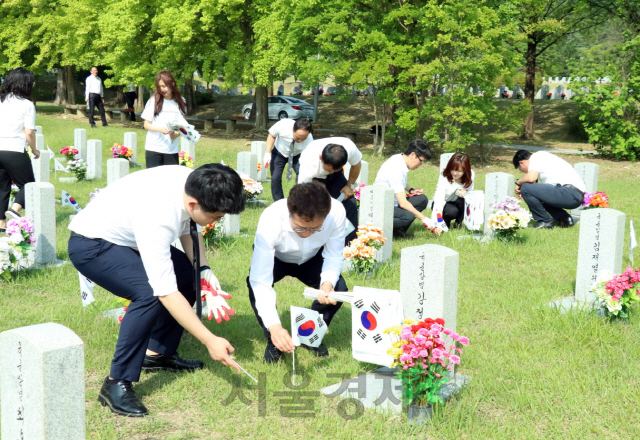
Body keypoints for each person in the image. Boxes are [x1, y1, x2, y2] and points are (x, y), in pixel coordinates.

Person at [68, 164, 245, 417]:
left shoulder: (193, 179)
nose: (218, 221)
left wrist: (202, 267)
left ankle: (158, 353)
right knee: (148, 293)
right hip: (93, 244)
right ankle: (115, 383)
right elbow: (165, 291)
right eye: (216, 217)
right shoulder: (158, 216)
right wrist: (210, 340)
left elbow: (188, 227)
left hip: (128, 237)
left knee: (188, 276)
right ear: (194, 204)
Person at [247, 182, 347, 363]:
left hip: (312, 257)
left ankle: (310, 334)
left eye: (315, 229)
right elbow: (260, 281)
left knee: (339, 288)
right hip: (277, 256)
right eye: (300, 228)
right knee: (255, 287)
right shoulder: (271, 218)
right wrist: (275, 326)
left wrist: (327, 283)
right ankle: (274, 339)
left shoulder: (337, 212)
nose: (307, 234)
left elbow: (334, 254)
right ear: (289, 212)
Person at [297, 136, 362, 243]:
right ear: (320, 157)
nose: (330, 171)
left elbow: (356, 165)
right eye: (328, 169)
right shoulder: (309, 161)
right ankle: (316, 240)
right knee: (316, 206)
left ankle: (350, 243)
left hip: (336, 176)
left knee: (350, 203)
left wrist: (349, 185)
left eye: (334, 169)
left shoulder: (349, 147)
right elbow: (302, 191)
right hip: (315, 178)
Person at [373, 139, 442, 237]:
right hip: (383, 206)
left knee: (421, 199)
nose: (421, 164)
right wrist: (425, 219)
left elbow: (402, 182)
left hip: (393, 202)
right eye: (421, 161)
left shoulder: (399, 158)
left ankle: (398, 231)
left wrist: (411, 190)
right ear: (413, 155)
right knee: (407, 216)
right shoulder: (395, 167)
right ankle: (380, 231)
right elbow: (403, 203)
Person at [0, 67, 40, 231]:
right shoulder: (27, 104)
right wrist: (35, 150)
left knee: (2, 188)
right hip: (14, 149)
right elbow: (29, 132)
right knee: (28, 185)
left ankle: (1, 224)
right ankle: (14, 210)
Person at [513, 150, 585, 229]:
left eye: (521, 169)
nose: (525, 172)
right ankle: (564, 219)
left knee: (526, 187)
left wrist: (518, 183)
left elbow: (531, 178)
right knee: (538, 194)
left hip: (568, 193)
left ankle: (544, 221)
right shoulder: (545, 158)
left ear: (521, 163)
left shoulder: (536, 157)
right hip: (575, 195)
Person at [141, 71, 186, 168]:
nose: (162, 89)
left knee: (171, 181)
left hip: (171, 149)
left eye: (165, 86)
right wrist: (160, 129)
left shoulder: (181, 101)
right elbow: (146, 124)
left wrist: (176, 134)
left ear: (172, 84)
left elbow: (182, 126)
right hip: (154, 148)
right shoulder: (153, 101)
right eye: (160, 86)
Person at [262, 118, 314, 201]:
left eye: (303, 138)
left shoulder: (310, 139)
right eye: (297, 137)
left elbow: (310, 155)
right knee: (275, 178)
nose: (300, 140)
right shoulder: (283, 125)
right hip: (280, 152)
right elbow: (272, 135)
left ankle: (300, 200)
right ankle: (278, 202)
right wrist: (267, 153)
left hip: (298, 155)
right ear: (293, 129)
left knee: (302, 177)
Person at [431, 153, 475, 230]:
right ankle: (445, 222)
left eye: (459, 171)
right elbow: (439, 197)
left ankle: (458, 222)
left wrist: (465, 192)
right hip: (444, 202)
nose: (454, 173)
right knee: (452, 212)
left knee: (466, 200)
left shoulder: (470, 175)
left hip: (458, 201)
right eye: (453, 169)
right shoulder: (444, 176)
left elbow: (470, 191)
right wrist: (438, 221)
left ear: (466, 170)